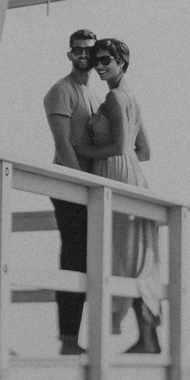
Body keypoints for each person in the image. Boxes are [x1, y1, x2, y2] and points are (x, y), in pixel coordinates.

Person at [78, 38, 161, 353]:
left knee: (123, 256)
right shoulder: (132, 98)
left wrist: (84, 152)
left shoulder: (114, 98)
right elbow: (144, 152)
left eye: (106, 60)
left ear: (122, 62)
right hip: (131, 175)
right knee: (136, 256)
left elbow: (119, 146)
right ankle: (149, 338)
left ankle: (146, 338)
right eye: (96, 61)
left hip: (114, 173)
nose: (99, 66)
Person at [41, 27, 101, 356]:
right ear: (70, 54)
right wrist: (83, 186)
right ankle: (67, 338)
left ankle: (79, 338)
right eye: (78, 50)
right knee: (73, 258)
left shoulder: (93, 95)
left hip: (89, 190)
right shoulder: (60, 91)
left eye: (89, 51)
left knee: (90, 261)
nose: (84, 56)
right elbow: (63, 145)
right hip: (70, 186)